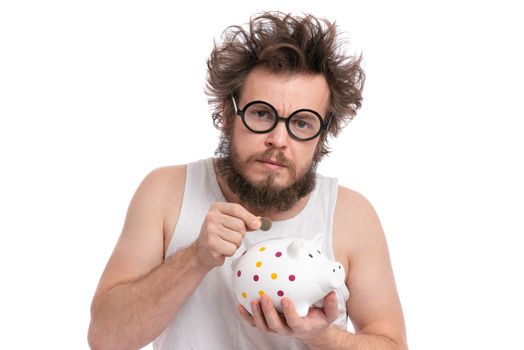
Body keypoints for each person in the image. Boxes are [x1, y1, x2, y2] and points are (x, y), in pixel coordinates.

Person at [88, 11, 407, 350]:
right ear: (228, 113)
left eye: (301, 123)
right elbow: (106, 339)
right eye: (261, 114)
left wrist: (319, 335)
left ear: (322, 133)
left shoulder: (351, 215)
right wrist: (194, 258)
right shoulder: (166, 192)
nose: (278, 140)